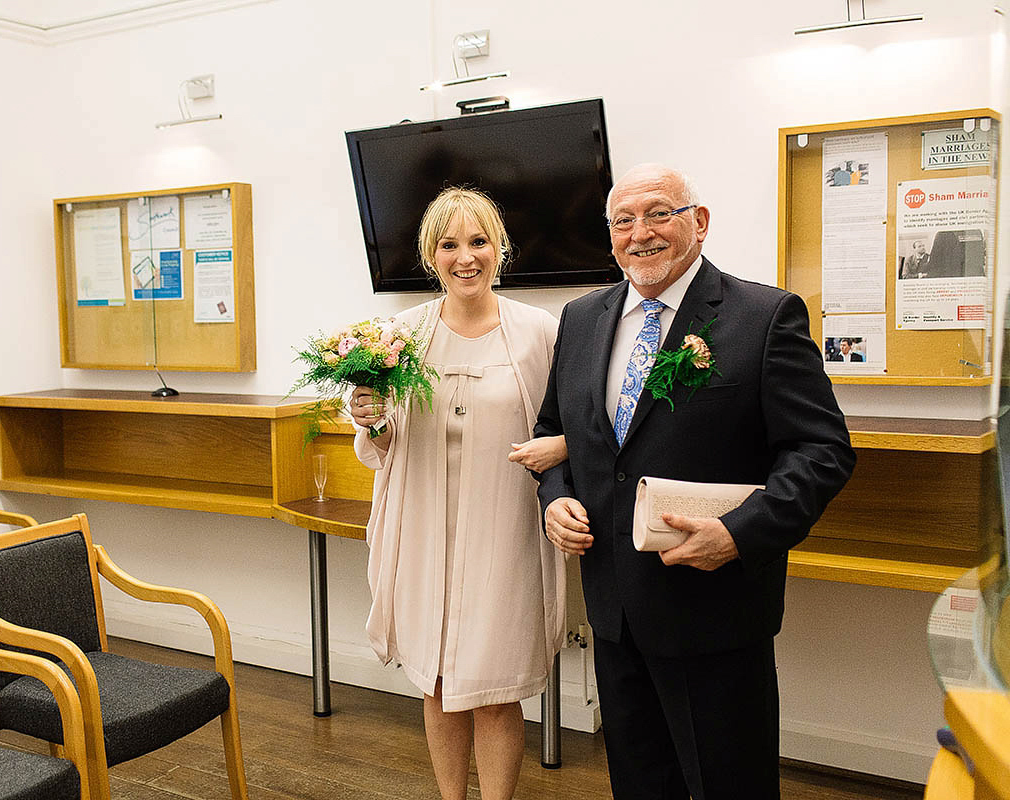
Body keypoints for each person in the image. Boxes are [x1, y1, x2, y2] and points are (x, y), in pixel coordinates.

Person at [533, 164, 855, 800]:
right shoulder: (580, 319)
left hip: (715, 611)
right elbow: (557, 432)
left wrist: (738, 535)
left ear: (699, 223)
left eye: (659, 213)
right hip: (615, 608)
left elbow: (821, 450)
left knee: (728, 784)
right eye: (623, 220)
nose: (640, 233)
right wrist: (557, 496)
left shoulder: (764, 317)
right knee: (639, 782)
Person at [350, 187, 567, 800]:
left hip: (503, 530)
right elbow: (384, 439)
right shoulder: (402, 334)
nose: (464, 257)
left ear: (500, 250)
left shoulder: (538, 333)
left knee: (494, 688)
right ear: (431, 255)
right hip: (425, 530)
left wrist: (563, 447)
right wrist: (372, 418)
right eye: (450, 244)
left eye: (478, 242)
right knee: (438, 681)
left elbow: (574, 423)